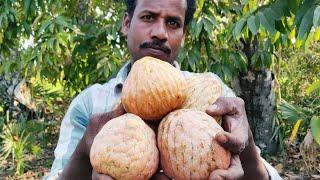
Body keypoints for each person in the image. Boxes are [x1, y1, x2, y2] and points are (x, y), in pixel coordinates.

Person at [44, 0, 282, 179]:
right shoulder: (90, 104)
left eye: (173, 22)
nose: (160, 32)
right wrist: (85, 152)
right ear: (127, 24)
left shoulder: (214, 93)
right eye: (148, 17)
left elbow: (266, 176)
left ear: (183, 35)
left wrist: (246, 144)